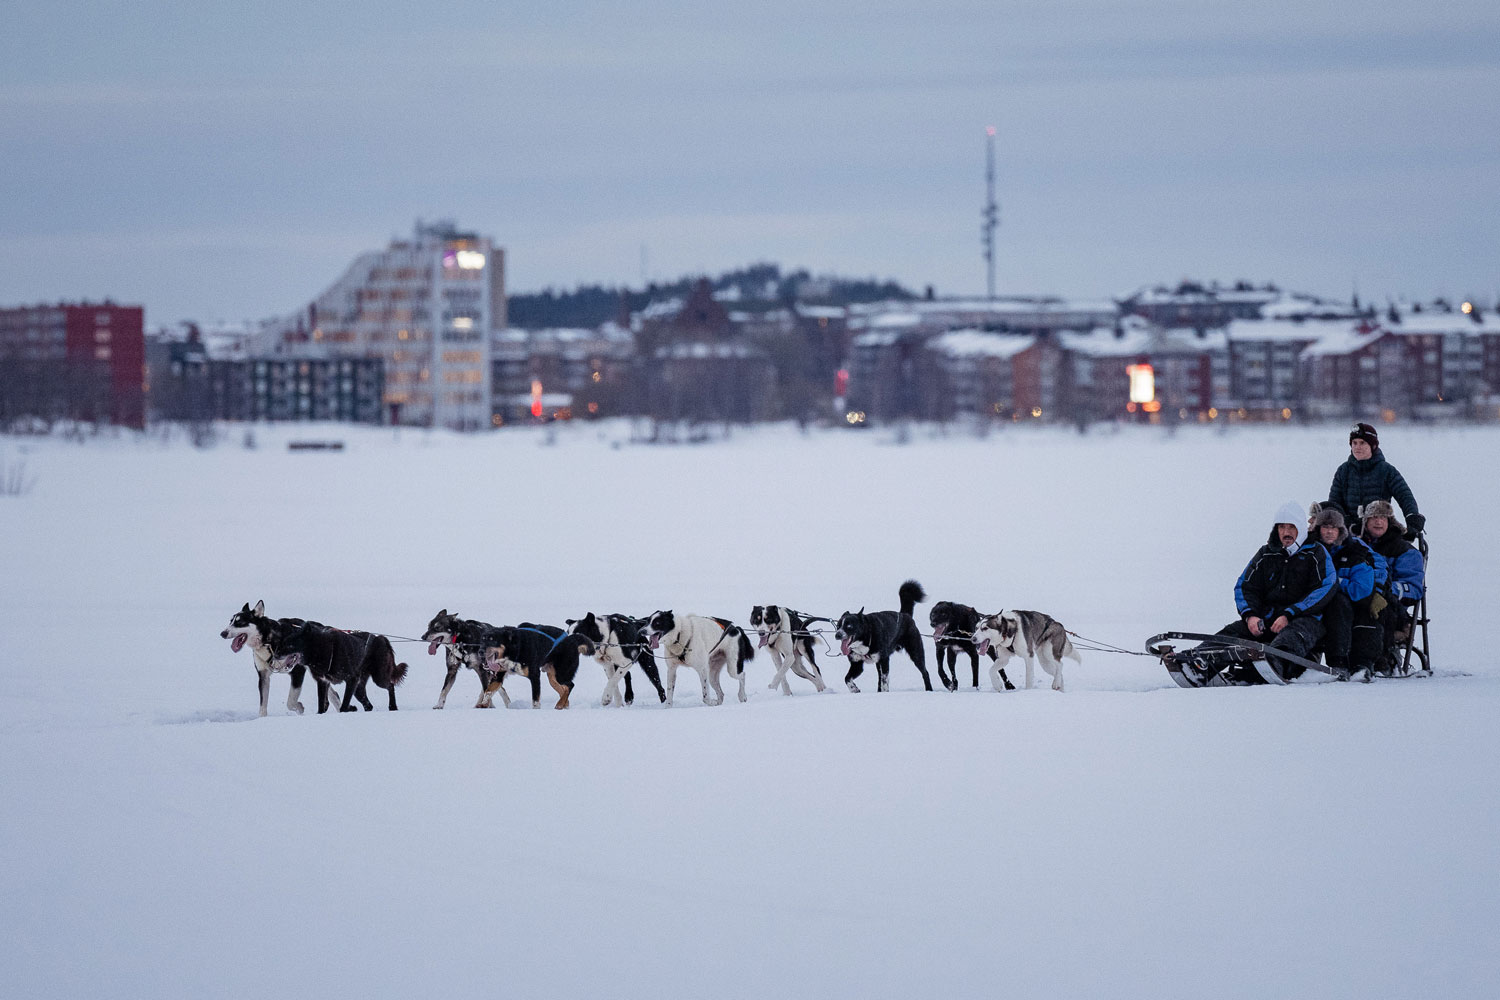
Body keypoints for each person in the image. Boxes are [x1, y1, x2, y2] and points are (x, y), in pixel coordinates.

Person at [1166, 500, 1337, 685]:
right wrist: (1250, 616)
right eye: (1281, 527)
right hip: (1268, 618)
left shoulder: (1316, 553)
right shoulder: (1265, 554)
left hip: (1305, 621)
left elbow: (1326, 586)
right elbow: (1245, 586)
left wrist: (1290, 613)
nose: (1286, 532)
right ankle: (1198, 664)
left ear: (1301, 528)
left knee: (1290, 638)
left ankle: (1269, 667)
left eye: (1291, 527)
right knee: (1232, 632)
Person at [1308, 504, 1382, 681]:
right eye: (1325, 527)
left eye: (1334, 527)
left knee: (1339, 604)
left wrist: (1334, 583)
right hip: (1315, 606)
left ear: (1341, 530)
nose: (1329, 532)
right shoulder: (1309, 551)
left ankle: (1340, 662)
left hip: (1351, 607)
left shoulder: (1356, 552)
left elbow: (1362, 589)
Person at [1360, 499, 1427, 671]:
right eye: (1373, 517)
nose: (1378, 521)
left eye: (1383, 517)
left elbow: (1414, 588)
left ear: (1390, 522)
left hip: (1393, 610)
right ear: (1365, 522)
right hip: (1360, 600)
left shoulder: (1405, 551)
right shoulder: (1356, 547)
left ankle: (1383, 659)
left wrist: (1387, 591)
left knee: (1381, 607)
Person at [1326, 422, 1424, 537]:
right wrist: (1346, 521)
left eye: (1362, 443)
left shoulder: (1386, 470)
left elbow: (1405, 496)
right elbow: (1334, 503)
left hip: (1380, 530)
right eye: (1354, 443)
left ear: (1373, 446)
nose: (1357, 447)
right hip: (1350, 532)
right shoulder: (1343, 471)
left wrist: (1412, 518)